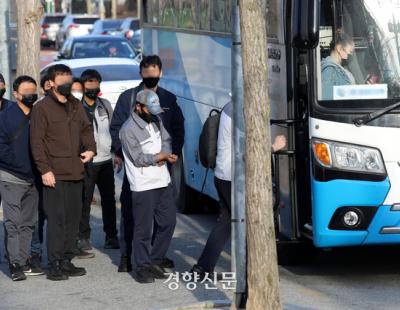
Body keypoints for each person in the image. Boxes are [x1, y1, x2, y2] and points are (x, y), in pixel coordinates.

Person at [191, 102, 286, 278]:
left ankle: (202, 268)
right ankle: (254, 271)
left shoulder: (230, 106)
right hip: (234, 178)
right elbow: (248, 154)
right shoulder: (241, 111)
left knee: (225, 222)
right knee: (250, 222)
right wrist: (274, 147)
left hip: (223, 175)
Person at [110, 55, 184, 273]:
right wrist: (120, 153)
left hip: (163, 167)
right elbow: (117, 129)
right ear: (141, 72)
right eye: (146, 70)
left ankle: (155, 257)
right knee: (133, 214)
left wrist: (171, 154)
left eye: (154, 70)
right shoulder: (129, 97)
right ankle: (127, 256)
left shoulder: (168, 98)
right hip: (136, 167)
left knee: (164, 218)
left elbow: (178, 130)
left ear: (160, 72)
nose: (151, 74)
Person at [30, 64, 96, 281]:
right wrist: (45, 170)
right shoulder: (42, 108)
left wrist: (90, 148)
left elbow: (86, 129)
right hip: (54, 174)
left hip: (76, 171)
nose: (67, 82)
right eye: (62, 78)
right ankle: (54, 263)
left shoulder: (76, 105)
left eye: (69, 78)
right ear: (51, 83)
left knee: (72, 218)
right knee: (56, 220)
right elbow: (36, 142)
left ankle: (67, 260)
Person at [120, 89, 177, 283]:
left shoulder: (156, 120)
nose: (154, 113)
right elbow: (137, 158)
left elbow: (167, 140)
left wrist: (167, 154)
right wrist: (157, 157)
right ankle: (141, 267)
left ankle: (155, 260)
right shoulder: (128, 129)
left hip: (163, 181)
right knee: (143, 229)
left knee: (168, 222)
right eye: (150, 109)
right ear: (139, 107)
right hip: (143, 185)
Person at [0, 76, 42, 281]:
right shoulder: (6, 116)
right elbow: (1, 148)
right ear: (15, 94)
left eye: (33, 90)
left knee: (28, 223)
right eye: (26, 90)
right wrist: (21, 165)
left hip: (33, 178)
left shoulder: (39, 114)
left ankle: (25, 261)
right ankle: (14, 263)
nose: (30, 94)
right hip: (11, 177)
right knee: (13, 222)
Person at [77, 69, 119, 251]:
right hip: (85, 162)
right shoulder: (76, 108)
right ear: (83, 86)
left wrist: (117, 153)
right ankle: (83, 237)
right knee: (84, 201)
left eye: (96, 84)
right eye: (90, 85)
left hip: (105, 160)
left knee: (109, 200)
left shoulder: (105, 105)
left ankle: (111, 236)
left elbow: (114, 129)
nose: (93, 88)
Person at [321, 32, 356, 100]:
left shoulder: (338, 68)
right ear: (339, 48)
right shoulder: (329, 70)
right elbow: (327, 100)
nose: (348, 56)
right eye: (349, 52)